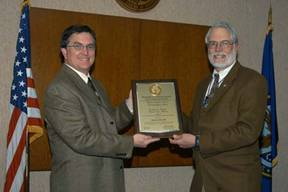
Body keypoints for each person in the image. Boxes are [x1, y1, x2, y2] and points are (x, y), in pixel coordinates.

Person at [44, 24, 159, 192]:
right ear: (64, 52)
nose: (85, 52)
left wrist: (130, 105)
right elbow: (81, 139)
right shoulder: (60, 89)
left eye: (90, 46)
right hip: (80, 183)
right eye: (77, 46)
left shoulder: (95, 84)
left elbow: (108, 124)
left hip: (105, 179)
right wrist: (131, 142)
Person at [170, 21, 267, 192]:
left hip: (235, 182)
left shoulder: (252, 81)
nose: (218, 49)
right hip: (203, 179)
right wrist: (169, 114)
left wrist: (198, 141)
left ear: (236, 47)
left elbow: (247, 131)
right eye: (213, 44)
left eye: (225, 43)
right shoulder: (203, 84)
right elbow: (194, 125)